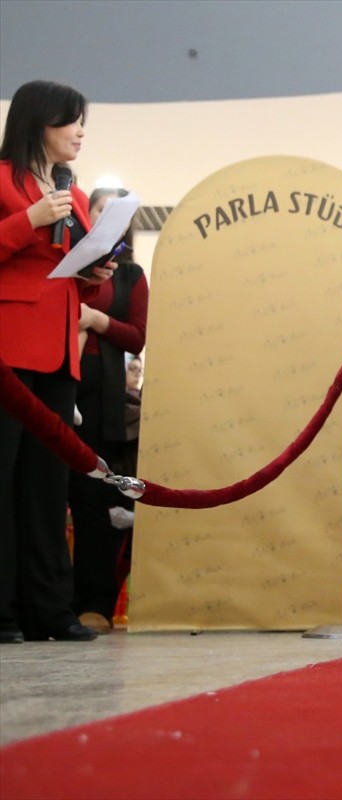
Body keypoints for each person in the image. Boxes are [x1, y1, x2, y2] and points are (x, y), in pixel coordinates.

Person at [0, 80, 116, 644]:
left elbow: (75, 281)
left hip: (59, 351)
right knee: (3, 481)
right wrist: (29, 219)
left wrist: (96, 272)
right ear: (38, 122)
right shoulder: (3, 178)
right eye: (70, 120)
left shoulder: (76, 193)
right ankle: (3, 614)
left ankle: (50, 610)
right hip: (8, 345)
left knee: (48, 487)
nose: (80, 132)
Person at [69, 189, 147, 634]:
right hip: (56, 383)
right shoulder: (66, 263)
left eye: (119, 211)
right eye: (101, 207)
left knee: (94, 499)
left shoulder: (131, 274)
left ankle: (94, 603)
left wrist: (95, 320)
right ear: (85, 212)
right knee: (45, 496)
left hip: (103, 398)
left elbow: (136, 336)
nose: (109, 215)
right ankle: (40, 599)